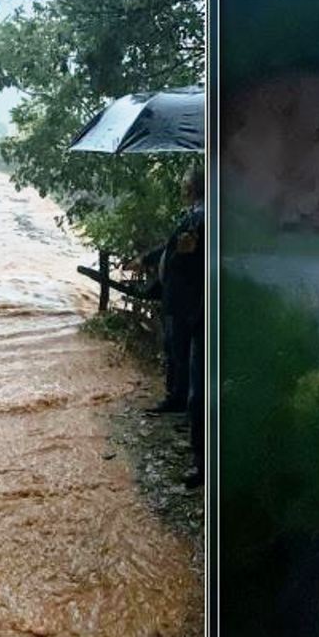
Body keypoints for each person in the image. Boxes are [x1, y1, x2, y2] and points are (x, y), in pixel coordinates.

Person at [128, 163, 206, 487]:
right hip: (182, 303)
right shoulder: (194, 215)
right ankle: (177, 401)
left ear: (195, 186)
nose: (181, 186)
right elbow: (173, 248)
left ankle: (203, 465)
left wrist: (190, 251)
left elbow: (188, 256)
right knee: (178, 358)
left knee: (198, 385)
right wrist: (147, 259)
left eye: (185, 181)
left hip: (193, 306)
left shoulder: (204, 217)